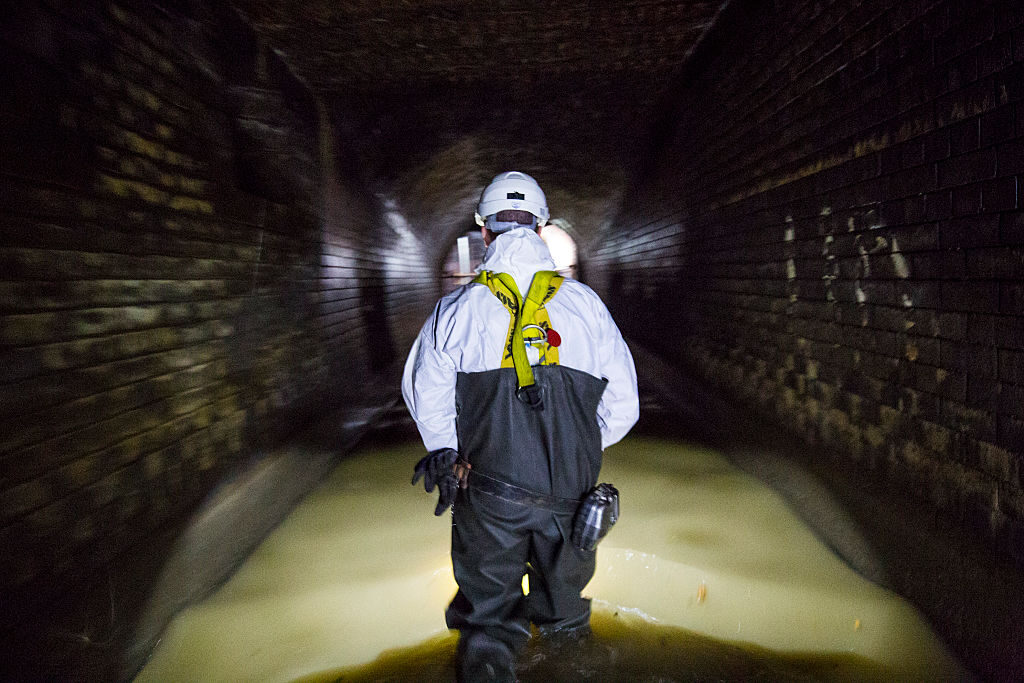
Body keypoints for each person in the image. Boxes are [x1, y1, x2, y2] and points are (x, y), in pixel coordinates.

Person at [402, 171, 639, 682]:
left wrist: (447, 450)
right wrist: (574, 446)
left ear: (484, 232)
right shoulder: (587, 309)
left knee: (488, 627)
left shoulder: (455, 312)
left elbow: (427, 399)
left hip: (488, 500)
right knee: (567, 620)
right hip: (573, 506)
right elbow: (624, 408)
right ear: (541, 227)